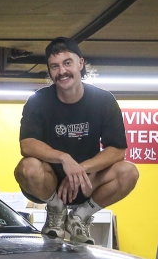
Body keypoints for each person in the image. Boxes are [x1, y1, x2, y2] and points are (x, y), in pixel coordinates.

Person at [14, 37, 139, 244]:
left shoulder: (104, 101)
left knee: (129, 172)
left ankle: (80, 217)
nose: (61, 71)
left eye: (67, 63)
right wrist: (64, 159)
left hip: (87, 183)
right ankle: (56, 210)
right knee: (28, 167)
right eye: (54, 66)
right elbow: (27, 145)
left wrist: (80, 169)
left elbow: (117, 150)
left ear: (81, 63)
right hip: (49, 184)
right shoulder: (38, 101)